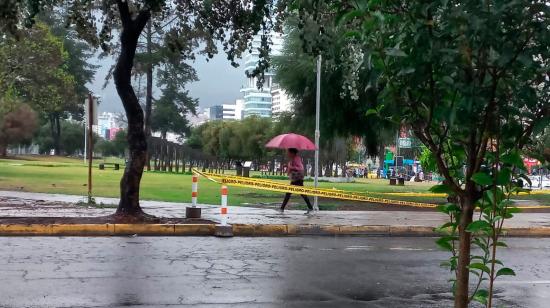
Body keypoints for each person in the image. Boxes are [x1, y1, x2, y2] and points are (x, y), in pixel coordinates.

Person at [279, 148, 314, 214]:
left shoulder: (297, 158)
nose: (287, 154)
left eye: (288, 152)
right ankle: (310, 208)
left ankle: (282, 208)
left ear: (292, 153)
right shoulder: (293, 159)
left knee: (290, 193)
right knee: (295, 193)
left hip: (297, 179)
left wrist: (291, 167)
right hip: (296, 178)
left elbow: (301, 168)